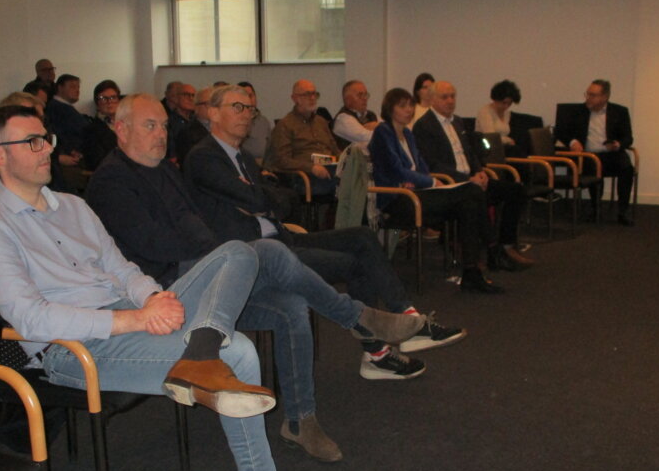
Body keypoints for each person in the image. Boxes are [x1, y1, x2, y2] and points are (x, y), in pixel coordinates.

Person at [0, 104, 337, 471]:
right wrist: (132, 317)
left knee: (240, 251)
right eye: (32, 142)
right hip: (74, 348)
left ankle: (201, 348)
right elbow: (30, 318)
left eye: (46, 138)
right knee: (238, 353)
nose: (46, 149)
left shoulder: (74, 207)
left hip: (128, 314)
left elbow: (124, 269)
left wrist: (150, 298)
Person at [87, 93, 426, 460]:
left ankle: (300, 420)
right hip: (166, 296)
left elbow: (199, 225)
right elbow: (157, 246)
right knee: (268, 251)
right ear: (120, 129)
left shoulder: (165, 169)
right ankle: (358, 318)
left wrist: (217, 256)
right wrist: (219, 257)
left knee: (291, 304)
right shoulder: (111, 181)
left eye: (164, 126)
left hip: (204, 277)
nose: (161, 134)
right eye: (150, 126)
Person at [186, 86, 465, 378]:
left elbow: (284, 200)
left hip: (283, 238)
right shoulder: (204, 157)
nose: (246, 115)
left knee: (361, 236)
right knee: (353, 265)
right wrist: (263, 199)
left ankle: (408, 316)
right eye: (237, 107)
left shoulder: (240, 157)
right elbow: (260, 199)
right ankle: (377, 354)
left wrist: (263, 200)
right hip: (257, 254)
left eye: (249, 109)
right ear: (213, 112)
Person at [368, 87, 503, 293]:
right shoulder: (383, 131)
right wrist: (429, 182)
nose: (409, 110)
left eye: (411, 105)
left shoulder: (408, 134)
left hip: (418, 193)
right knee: (472, 192)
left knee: (469, 201)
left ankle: (471, 272)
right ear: (390, 109)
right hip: (397, 198)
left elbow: (421, 166)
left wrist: (425, 180)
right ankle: (492, 249)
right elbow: (396, 169)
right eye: (402, 106)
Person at [412, 81, 534, 272]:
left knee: (516, 190)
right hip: (451, 183)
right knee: (474, 195)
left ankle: (507, 245)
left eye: (453, 96)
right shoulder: (424, 126)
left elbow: (469, 152)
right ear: (433, 100)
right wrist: (467, 180)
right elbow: (432, 164)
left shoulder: (458, 121)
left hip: (472, 178)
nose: (450, 101)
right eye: (445, 97)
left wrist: (480, 171)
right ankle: (489, 252)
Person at [553, 79, 635, 226]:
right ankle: (595, 208)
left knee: (627, 168)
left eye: (593, 95)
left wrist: (618, 144)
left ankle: (623, 211)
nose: (588, 98)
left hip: (611, 154)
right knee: (594, 166)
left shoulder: (620, 112)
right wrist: (572, 142)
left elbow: (628, 137)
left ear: (605, 97)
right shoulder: (577, 111)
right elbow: (559, 131)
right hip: (586, 155)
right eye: (587, 94)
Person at [267, 79, 341, 197]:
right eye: (307, 94)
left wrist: (345, 161)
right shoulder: (285, 125)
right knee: (349, 188)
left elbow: (335, 150)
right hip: (305, 175)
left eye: (314, 94)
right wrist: (311, 167)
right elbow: (281, 160)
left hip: (329, 166)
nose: (312, 98)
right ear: (295, 98)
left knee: (357, 179)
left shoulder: (321, 122)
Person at [80, 79, 121, 171]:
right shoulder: (91, 130)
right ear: (97, 103)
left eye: (113, 97)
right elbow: (96, 162)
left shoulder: (130, 123)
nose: (109, 102)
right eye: (103, 98)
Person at [331, 80, 379, 150]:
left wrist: (377, 126)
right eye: (360, 95)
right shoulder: (343, 119)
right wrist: (379, 127)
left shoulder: (371, 114)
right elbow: (366, 137)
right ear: (348, 99)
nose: (365, 98)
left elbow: (391, 131)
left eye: (365, 94)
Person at [475, 80, 521, 148]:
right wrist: (508, 140)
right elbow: (491, 137)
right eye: (504, 103)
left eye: (509, 103)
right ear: (496, 99)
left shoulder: (506, 113)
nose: (506, 106)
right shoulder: (485, 112)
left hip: (501, 149)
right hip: (486, 150)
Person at [174, 86, 211, 167]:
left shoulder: (223, 128)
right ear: (197, 106)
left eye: (216, 104)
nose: (214, 108)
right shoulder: (187, 133)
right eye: (209, 104)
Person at [238, 81, 271, 161]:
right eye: (244, 96)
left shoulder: (264, 121)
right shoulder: (236, 122)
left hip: (265, 165)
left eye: (251, 95)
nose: (249, 100)